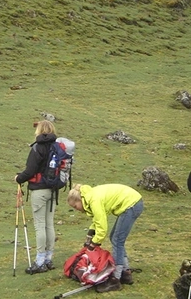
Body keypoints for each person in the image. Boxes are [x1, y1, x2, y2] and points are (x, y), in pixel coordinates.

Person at [67, 183, 144, 292]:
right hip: (131, 203)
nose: (77, 209)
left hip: (132, 204)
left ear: (79, 200)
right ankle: (125, 273)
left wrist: (94, 244)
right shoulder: (89, 197)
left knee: (117, 240)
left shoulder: (94, 200)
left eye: (75, 206)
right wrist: (91, 233)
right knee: (115, 238)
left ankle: (115, 280)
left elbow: (102, 228)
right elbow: (97, 219)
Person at [15, 120, 58, 275]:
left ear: (39, 131)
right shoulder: (56, 147)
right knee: (49, 224)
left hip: (39, 190)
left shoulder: (37, 147)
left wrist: (19, 178)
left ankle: (40, 261)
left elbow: (31, 170)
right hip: (53, 190)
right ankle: (48, 258)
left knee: (40, 225)